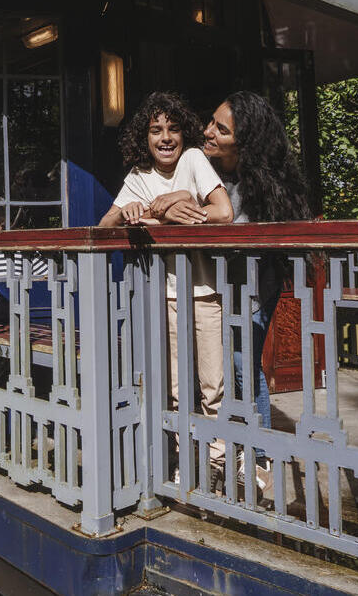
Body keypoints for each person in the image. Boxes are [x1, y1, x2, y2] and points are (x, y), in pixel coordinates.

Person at [98, 92, 232, 475]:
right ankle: (185, 463)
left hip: (205, 292)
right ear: (144, 137)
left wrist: (179, 198)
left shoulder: (193, 160)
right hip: (164, 294)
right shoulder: (138, 178)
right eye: (156, 130)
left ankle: (217, 463)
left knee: (213, 386)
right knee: (175, 388)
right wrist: (128, 212)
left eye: (173, 128)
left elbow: (224, 212)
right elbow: (105, 226)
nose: (165, 137)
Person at [199, 90, 312, 485]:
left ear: (244, 142)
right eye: (211, 122)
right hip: (214, 288)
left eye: (221, 129)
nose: (208, 131)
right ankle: (234, 445)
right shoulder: (209, 172)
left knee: (244, 367)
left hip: (250, 292)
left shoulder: (260, 185)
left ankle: (259, 453)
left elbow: (238, 236)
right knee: (224, 368)